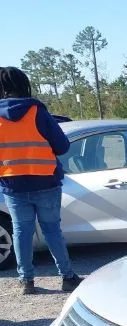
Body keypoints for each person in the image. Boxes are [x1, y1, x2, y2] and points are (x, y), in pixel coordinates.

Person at [0, 66, 82, 295]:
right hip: (45, 182)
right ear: (22, 84)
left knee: (21, 232)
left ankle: (26, 281)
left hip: (12, 186)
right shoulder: (36, 111)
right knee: (52, 231)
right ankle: (67, 277)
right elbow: (62, 146)